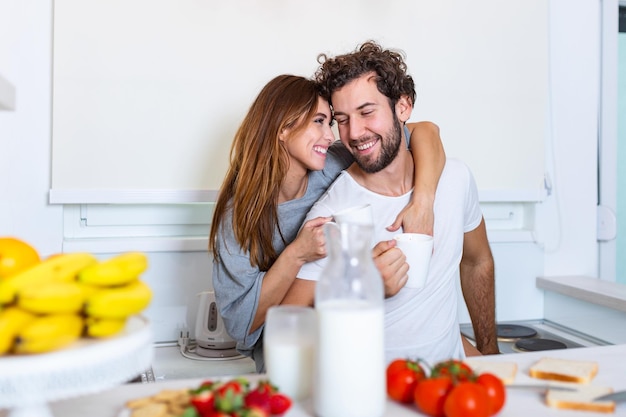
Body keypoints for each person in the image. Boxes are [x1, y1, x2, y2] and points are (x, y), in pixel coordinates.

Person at [209, 74, 445, 372]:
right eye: (319, 121)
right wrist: (298, 253)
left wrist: (423, 202)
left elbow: (426, 131)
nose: (331, 136)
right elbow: (242, 326)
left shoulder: (329, 165)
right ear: (283, 128)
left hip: (337, 337)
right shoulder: (239, 217)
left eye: (330, 123)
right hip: (287, 353)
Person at [287, 41, 499, 365]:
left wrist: (490, 354)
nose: (354, 133)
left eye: (367, 112)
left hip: (448, 387)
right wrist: (362, 285)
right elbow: (289, 320)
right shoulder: (332, 214)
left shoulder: (454, 179)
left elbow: (477, 262)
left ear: (403, 107)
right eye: (341, 119)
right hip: (375, 392)